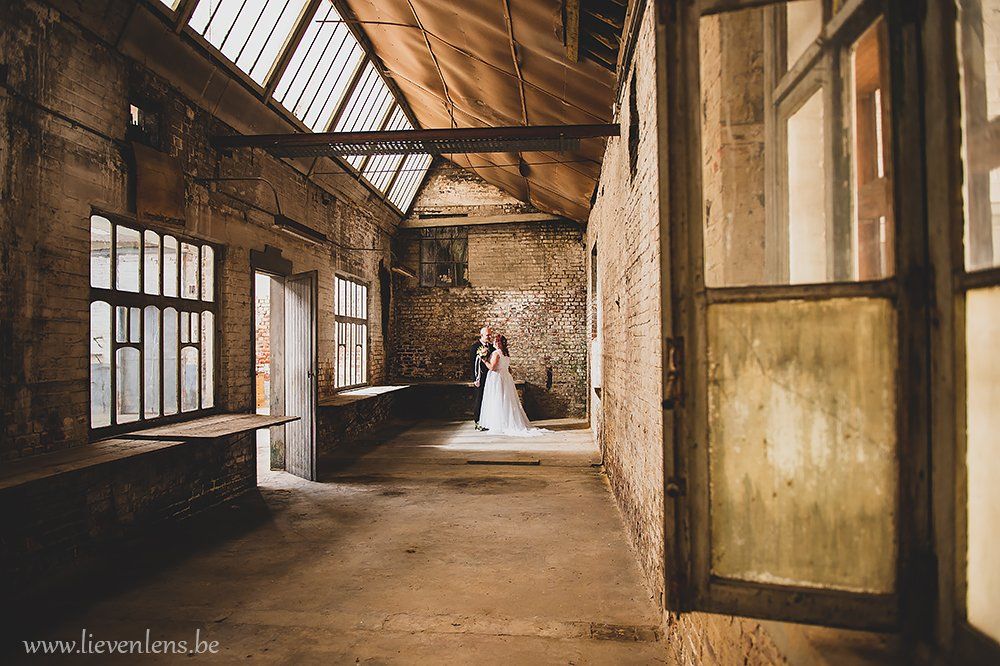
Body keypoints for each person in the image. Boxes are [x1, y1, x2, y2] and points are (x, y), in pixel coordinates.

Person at [478, 334, 547, 437]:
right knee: (506, 400)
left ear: (499, 343)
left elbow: (492, 367)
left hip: (497, 378)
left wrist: (483, 360)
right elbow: (509, 368)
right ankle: (505, 421)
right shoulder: (506, 354)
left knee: (498, 399)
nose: (494, 342)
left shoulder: (496, 353)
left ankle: (500, 424)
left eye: (496, 341)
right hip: (506, 377)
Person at [470, 326, 494, 431]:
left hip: (490, 377)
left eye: (490, 334)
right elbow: (472, 364)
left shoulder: (491, 347)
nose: (489, 336)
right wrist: (475, 378)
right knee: (479, 399)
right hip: (480, 377)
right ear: (482, 335)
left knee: (488, 399)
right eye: (487, 335)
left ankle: (487, 421)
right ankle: (477, 422)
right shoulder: (475, 347)